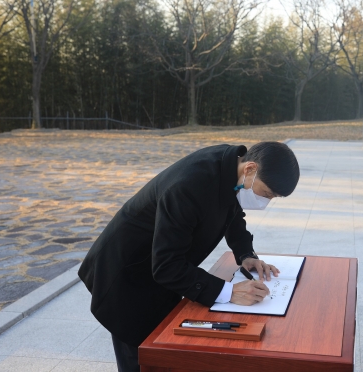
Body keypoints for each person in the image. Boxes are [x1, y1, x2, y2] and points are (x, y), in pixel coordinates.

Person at [78, 142, 300, 372]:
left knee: (167, 351)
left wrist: (245, 254)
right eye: (266, 194)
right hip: (126, 275)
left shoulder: (231, 168)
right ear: (251, 169)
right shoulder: (189, 185)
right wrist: (230, 291)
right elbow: (166, 266)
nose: (266, 201)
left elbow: (231, 209)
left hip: (158, 266)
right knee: (142, 358)